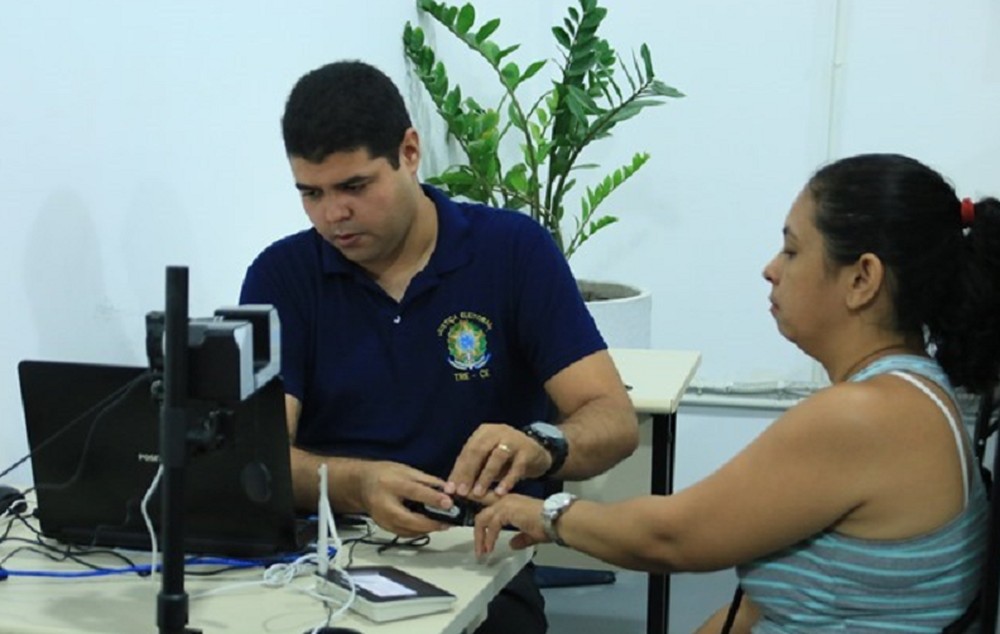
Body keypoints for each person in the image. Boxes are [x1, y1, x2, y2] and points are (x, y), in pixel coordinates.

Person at [474, 153, 999, 632]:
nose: (771, 269)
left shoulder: (864, 417)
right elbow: (757, 606)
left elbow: (673, 536)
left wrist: (547, 514)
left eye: (792, 250)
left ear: (862, 279)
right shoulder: (918, 393)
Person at [239, 60, 639, 634]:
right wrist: (360, 484)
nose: (333, 215)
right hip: (325, 564)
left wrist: (541, 445)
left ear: (408, 152)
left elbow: (613, 419)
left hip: (479, 558)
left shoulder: (512, 252)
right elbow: (259, 460)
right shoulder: (284, 276)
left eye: (354, 187)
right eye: (311, 194)